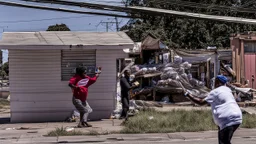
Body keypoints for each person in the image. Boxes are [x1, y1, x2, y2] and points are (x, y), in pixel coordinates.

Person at [185, 75, 242, 144]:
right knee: (225, 141)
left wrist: (188, 95)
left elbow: (200, 102)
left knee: (224, 142)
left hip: (227, 119)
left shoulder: (215, 92)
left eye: (214, 81)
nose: (213, 83)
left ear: (218, 82)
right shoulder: (227, 90)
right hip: (237, 117)